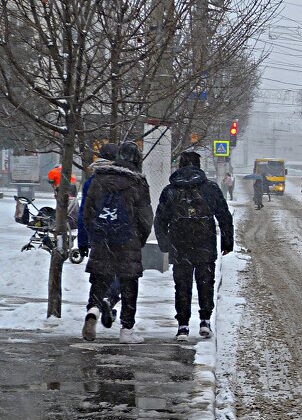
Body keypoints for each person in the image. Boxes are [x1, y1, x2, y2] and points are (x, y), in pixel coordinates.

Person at [155, 151, 234, 341]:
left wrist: (165, 244)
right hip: (204, 243)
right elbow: (224, 216)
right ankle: (205, 320)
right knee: (205, 283)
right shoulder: (210, 188)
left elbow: (160, 220)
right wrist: (227, 242)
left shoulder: (170, 190)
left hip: (179, 245)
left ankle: (182, 325)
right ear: (198, 166)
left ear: (180, 166)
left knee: (182, 285)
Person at [81, 141, 153, 344]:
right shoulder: (138, 183)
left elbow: (87, 213)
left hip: (102, 239)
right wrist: (139, 239)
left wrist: (96, 234)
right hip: (128, 241)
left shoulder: (99, 179)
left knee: (99, 281)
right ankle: (126, 330)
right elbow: (146, 218)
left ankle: (93, 311)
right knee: (129, 285)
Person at [77, 143, 124, 330]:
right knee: (119, 275)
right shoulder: (124, 181)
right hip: (120, 237)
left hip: (98, 236)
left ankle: (93, 309)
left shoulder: (92, 182)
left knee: (98, 277)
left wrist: (83, 240)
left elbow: (83, 214)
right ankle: (109, 300)